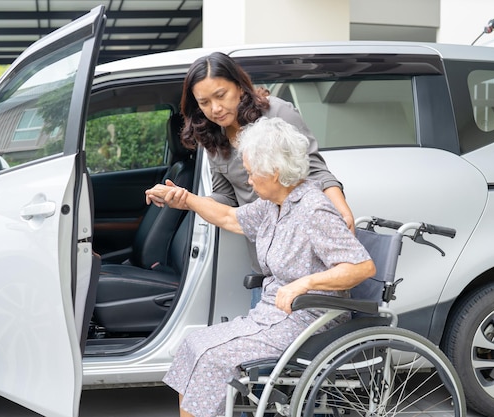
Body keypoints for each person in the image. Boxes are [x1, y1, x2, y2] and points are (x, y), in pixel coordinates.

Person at [147, 117, 376, 417]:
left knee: (213, 358)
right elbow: (230, 218)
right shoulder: (274, 204)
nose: (249, 180)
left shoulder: (312, 208)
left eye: (253, 172)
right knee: (193, 344)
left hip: (308, 319)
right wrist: (186, 200)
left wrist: (303, 284)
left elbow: (362, 267)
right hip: (272, 315)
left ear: (276, 172)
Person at [148, 51, 356, 307]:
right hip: (265, 261)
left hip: (303, 256)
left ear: (239, 86)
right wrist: (185, 199)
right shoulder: (211, 136)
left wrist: (343, 212)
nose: (215, 108)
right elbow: (226, 198)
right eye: (204, 102)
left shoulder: (278, 113)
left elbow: (316, 172)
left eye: (221, 95)